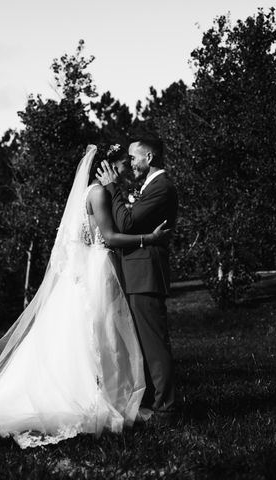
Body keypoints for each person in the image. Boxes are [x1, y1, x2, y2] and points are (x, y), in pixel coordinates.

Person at [0, 145, 170, 448]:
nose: (126, 169)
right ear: (108, 167)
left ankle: (106, 392)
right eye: (122, 164)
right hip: (100, 267)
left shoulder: (88, 192)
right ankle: (96, 397)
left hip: (92, 267)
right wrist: (149, 238)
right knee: (102, 335)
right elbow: (111, 236)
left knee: (96, 335)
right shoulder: (99, 193)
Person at [96, 133, 179, 423]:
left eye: (133, 156)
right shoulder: (147, 186)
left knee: (154, 344)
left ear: (150, 157)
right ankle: (148, 401)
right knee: (140, 345)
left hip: (146, 273)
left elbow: (127, 223)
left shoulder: (162, 187)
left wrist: (113, 187)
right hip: (134, 272)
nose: (129, 162)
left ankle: (166, 409)